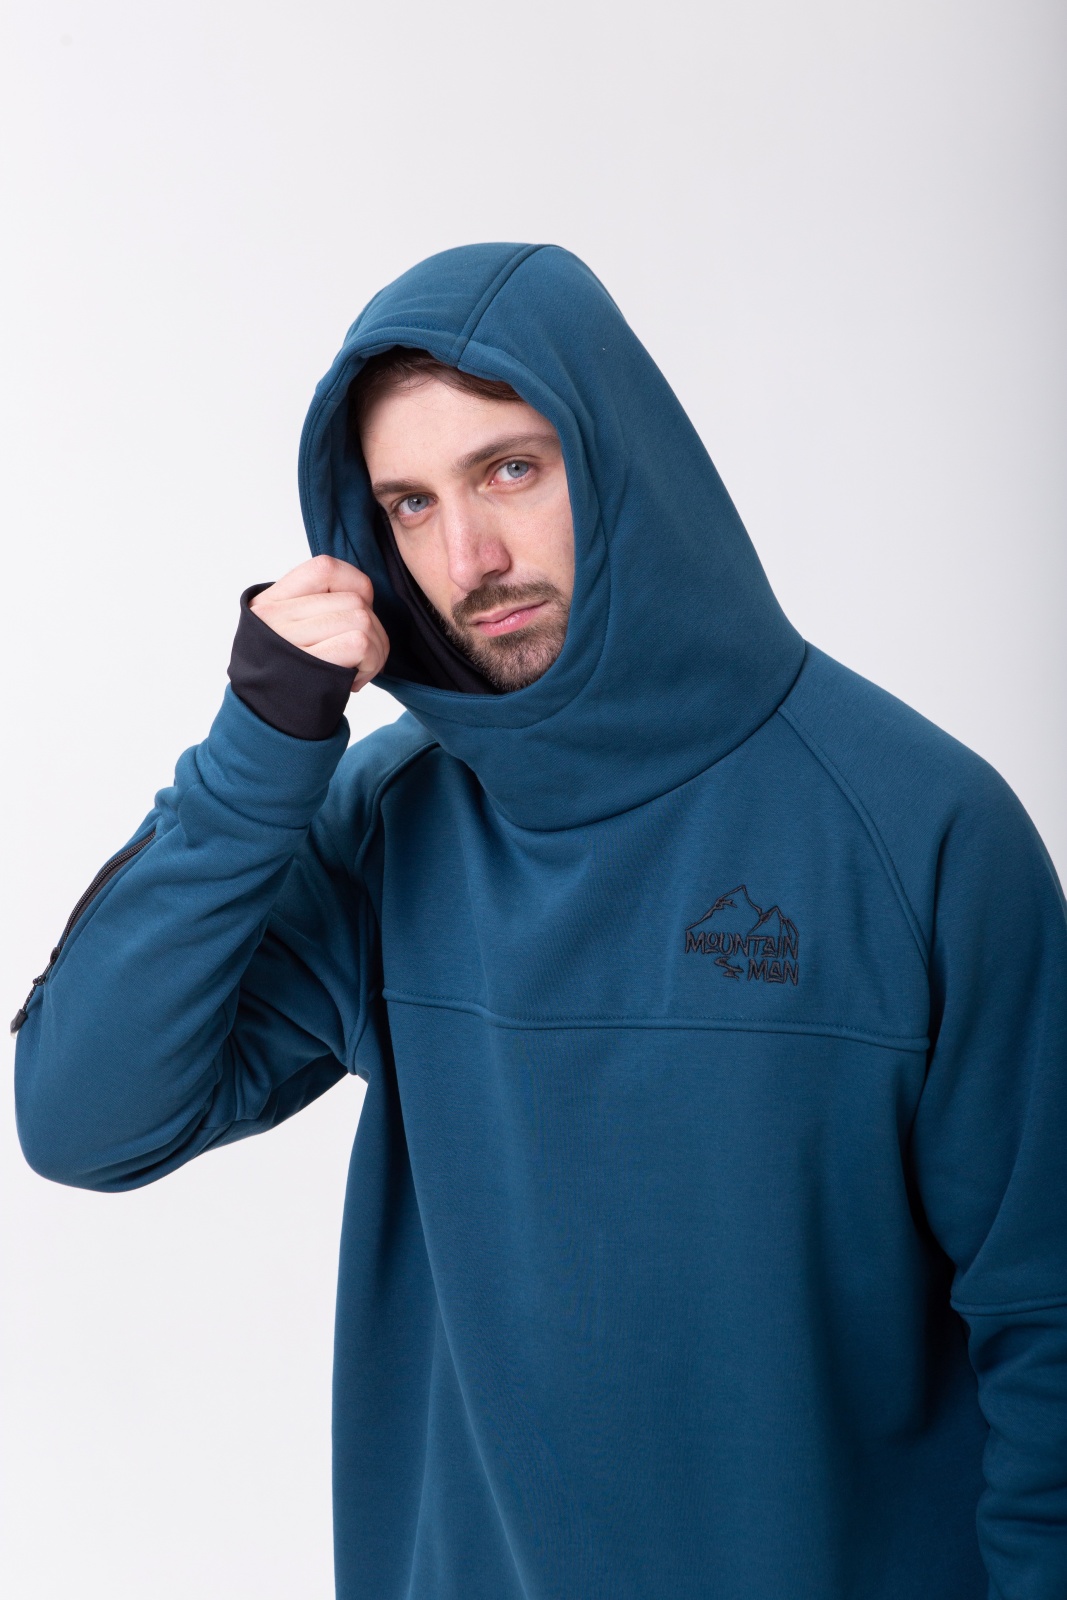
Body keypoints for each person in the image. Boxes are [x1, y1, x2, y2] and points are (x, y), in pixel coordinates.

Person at [13, 243, 1067, 1599]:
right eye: (409, 504)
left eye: (510, 469)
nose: (469, 559)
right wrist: (260, 745)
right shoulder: (387, 820)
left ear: (618, 457)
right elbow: (85, 1120)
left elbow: (1048, 1325)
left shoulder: (922, 829)